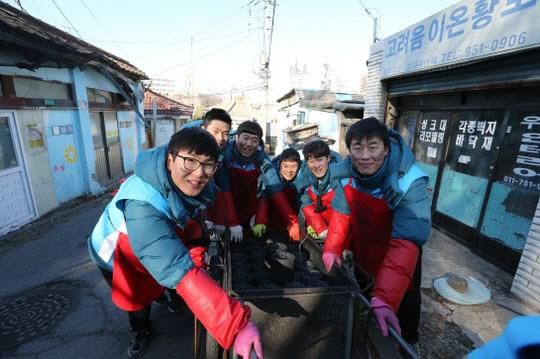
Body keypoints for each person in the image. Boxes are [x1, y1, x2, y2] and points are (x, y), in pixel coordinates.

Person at [88, 127, 263, 359]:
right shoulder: (142, 206)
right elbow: (174, 267)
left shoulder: (186, 183)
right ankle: (141, 331)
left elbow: (190, 223)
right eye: (190, 161)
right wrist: (237, 326)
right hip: (117, 252)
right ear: (170, 160)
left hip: (155, 246)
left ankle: (164, 295)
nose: (199, 173)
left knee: (160, 283)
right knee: (137, 299)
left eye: (208, 165)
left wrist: (199, 256)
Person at [322, 117, 430, 348]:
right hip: (365, 252)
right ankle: (365, 332)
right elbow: (342, 215)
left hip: (401, 256)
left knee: (404, 311)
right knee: (366, 297)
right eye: (357, 148)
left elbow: (407, 240)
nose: (365, 156)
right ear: (349, 150)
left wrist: (387, 297)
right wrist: (332, 248)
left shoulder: (409, 181)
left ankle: (408, 344)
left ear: (386, 148)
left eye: (373, 147)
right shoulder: (346, 175)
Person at [218, 120, 300, 242]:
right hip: (223, 208)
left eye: (254, 140)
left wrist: (292, 222)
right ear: (237, 137)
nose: (249, 144)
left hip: (246, 210)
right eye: (245, 138)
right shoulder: (225, 155)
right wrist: (232, 222)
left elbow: (274, 189)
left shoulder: (262, 160)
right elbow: (224, 188)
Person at [295, 140, 341, 241]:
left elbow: (345, 213)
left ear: (328, 158)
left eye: (320, 160)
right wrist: (320, 228)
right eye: (311, 161)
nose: (316, 166)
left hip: (341, 231)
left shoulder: (342, 178)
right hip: (322, 231)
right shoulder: (304, 180)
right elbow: (306, 204)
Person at [253, 148, 302, 235]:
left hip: (296, 227)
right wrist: (261, 221)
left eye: (293, 166)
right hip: (272, 227)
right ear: (280, 165)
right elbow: (264, 201)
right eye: (285, 166)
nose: (289, 171)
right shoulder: (270, 178)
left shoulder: (302, 180)